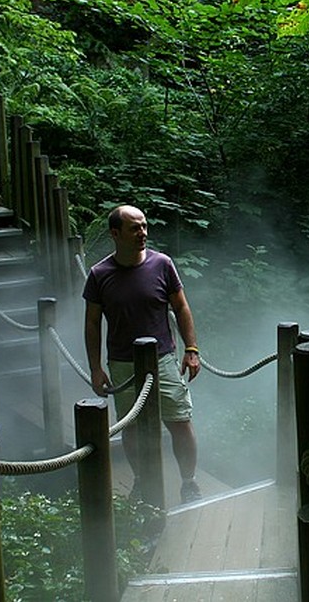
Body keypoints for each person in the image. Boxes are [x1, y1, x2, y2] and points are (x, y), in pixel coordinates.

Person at [83, 204, 203, 503]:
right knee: (131, 427)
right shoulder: (100, 274)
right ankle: (141, 481)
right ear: (115, 233)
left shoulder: (162, 264)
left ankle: (189, 482)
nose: (143, 233)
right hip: (122, 362)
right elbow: (92, 323)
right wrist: (95, 368)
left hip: (163, 357)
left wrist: (191, 349)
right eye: (135, 228)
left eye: (145, 226)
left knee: (180, 421)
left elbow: (182, 307)